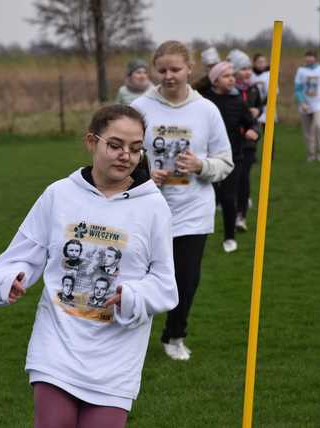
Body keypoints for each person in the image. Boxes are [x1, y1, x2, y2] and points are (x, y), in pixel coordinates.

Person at [0, 104, 178, 427]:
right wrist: (10, 278)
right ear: (92, 141)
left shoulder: (154, 208)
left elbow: (164, 283)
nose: (125, 156)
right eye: (114, 145)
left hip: (117, 355)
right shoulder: (58, 194)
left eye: (134, 149)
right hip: (57, 344)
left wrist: (132, 296)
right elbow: (21, 253)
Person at [131, 40, 233, 360]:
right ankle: (126, 335)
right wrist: (145, 175)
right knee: (138, 277)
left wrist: (201, 166)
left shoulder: (207, 111)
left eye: (176, 69)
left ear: (190, 69)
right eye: (162, 70)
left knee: (185, 279)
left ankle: (174, 336)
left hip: (193, 209)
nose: (169, 75)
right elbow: (125, 156)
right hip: (147, 209)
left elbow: (225, 162)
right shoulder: (139, 109)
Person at [199, 61, 259, 253]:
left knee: (228, 198)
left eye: (233, 74)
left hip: (233, 158)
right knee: (206, 198)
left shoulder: (238, 101)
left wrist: (253, 131)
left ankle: (230, 238)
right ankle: (199, 233)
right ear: (215, 81)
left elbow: (252, 123)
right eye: (226, 76)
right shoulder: (203, 102)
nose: (232, 78)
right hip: (205, 160)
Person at [228, 49, 263, 232]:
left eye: (249, 68)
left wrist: (257, 112)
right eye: (243, 69)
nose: (247, 72)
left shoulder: (253, 89)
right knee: (231, 181)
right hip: (231, 142)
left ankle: (241, 216)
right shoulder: (227, 93)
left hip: (248, 142)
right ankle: (230, 213)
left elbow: (259, 107)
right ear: (233, 71)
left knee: (244, 178)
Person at [294, 50, 320, 162]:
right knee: (307, 131)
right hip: (305, 104)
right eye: (307, 56)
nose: (309, 59)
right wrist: (302, 102)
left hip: (319, 103)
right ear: (304, 58)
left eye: (311, 56)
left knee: (318, 126)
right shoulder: (301, 71)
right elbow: (298, 89)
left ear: (315, 58)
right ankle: (311, 154)